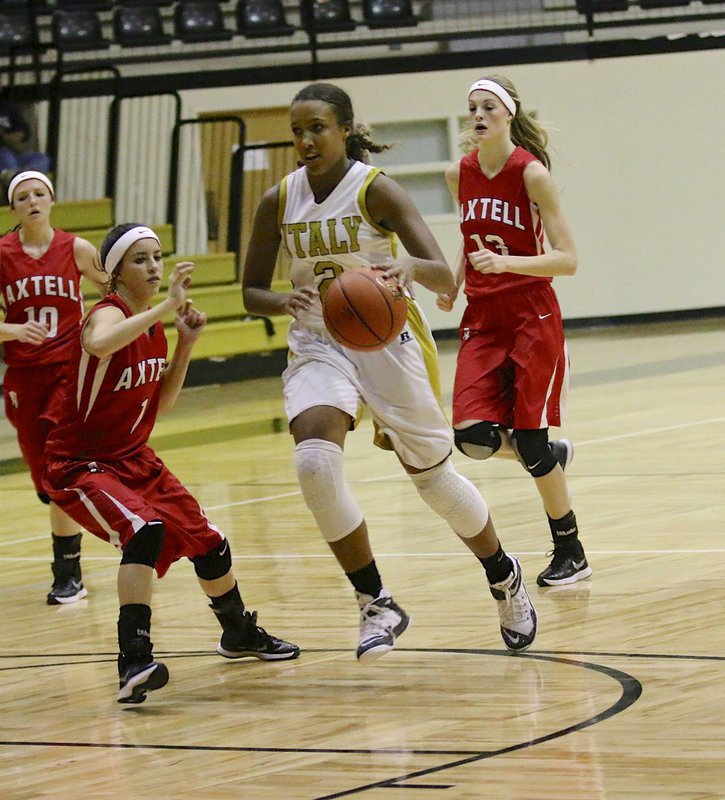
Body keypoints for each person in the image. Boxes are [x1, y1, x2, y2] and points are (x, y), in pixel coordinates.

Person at [242, 82, 537, 662]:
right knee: (314, 460)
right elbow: (251, 289)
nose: (305, 141)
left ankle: (503, 575)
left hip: (388, 341)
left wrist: (405, 264)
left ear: (346, 128)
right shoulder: (278, 199)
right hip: (317, 342)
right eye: (296, 131)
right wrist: (282, 303)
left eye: (317, 128)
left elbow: (443, 276)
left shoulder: (376, 190)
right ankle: (375, 600)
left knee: (431, 479)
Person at [42, 223, 299, 704]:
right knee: (144, 531)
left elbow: (161, 407)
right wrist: (164, 306)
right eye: (140, 259)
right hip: (80, 463)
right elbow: (99, 345)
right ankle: (133, 660)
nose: (154, 267)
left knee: (212, 544)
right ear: (115, 272)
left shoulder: (153, 329)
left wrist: (184, 344)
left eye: (157, 257)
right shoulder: (105, 314)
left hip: (134, 458)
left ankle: (238, 633)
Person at [436, 76, 592, 587]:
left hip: (531, 315)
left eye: (488, 107)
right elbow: (470, 238)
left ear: (507, 115)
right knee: (472, 438)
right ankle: (546, 456)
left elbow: (567, 260)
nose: (477, 115)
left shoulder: (531, 174)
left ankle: (570, 549)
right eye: (472, 108)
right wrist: (454, 282)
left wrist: (507, 264)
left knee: (529, 439)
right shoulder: (458, 173)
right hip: (483, 319)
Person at [0, 170, 106, 604]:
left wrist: (100, 331)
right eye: (23, 197)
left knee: (60, 469)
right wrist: (11, 330)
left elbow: (118, 292)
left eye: (39, 193)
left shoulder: (77, 248)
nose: (32, 201)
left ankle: (68, 573)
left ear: (52, 200)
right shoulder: (2, 254)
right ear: (14, 209)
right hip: (23, 376)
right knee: (46, 480)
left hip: (68, 370)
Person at [0, 90, 51, 204]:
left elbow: (24, 131)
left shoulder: (6, 108)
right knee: (5, 155)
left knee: (41, 158)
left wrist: (13, 137)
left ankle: (24, 175)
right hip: (3, 154)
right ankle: (15, 181)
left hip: (16, 153)